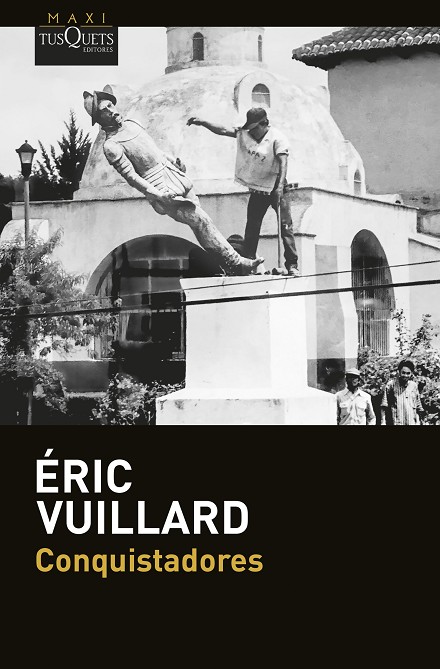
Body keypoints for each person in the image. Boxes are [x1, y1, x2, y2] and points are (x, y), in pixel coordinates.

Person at [82, 87, 264, 276]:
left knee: (201, 222)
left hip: (173, 175)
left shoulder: (132, 124)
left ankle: (229, 265)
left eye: (110, 106)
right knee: (201, 220)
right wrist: (158, 195)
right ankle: (236, 262)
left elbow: (155, 150)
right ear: (100, 120)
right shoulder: (111, 146)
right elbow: (133, 178)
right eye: (104, 111)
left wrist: (173, 161)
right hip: (160, 187)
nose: (111, 111)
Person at [187, 107, 299, 276]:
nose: (251, 132)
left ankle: (292, 264)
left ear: (264, 124)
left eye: (255, 128)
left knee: (285, 227)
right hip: (258, 190)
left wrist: (279, 187)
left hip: (278, 187)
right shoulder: (246, 134)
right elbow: (223, 130)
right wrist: (203, 122)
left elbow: (283, 162)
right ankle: (250, 262)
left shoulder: (277, 138)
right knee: (252, 227)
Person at [381, 359, 425, 425]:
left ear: (411, 373)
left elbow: (418, 407)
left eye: (408, 373)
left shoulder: (413, 386)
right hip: (396, 422)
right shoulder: (391, 385)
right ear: (399, 372)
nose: (405, 375)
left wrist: (418, 422)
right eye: (403, 373)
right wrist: (383, 422)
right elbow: (384, 406)